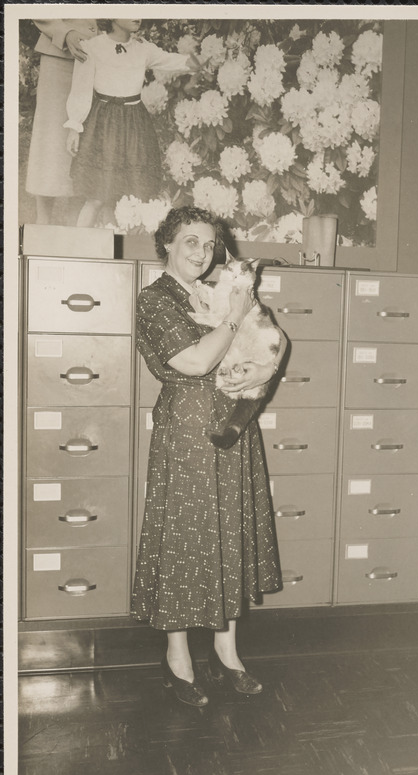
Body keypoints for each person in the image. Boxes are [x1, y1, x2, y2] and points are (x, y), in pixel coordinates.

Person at [131, 206, 286, 707]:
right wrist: (237, 313)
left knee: (231, 529)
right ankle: (178, 656)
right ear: (168, 247)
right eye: (189, 242)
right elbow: (195, 360)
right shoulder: (155, 300)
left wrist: (261, 375)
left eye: (208, 243)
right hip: (189, 430)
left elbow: (274, 344)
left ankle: (227, 652)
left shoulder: (218, 291)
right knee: (185, 535)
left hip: (234, 425)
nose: (201, 252)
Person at [64, 19, 199, 228]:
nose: (137, 16)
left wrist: (203, 62)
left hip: (135, 127)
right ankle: (78, 249)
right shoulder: (92, 47)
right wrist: (74, 126)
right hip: (104, 126)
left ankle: (122, 244)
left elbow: (172, 60)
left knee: (134, 192)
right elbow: (80, 89)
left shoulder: (143, 48)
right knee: (97, 196)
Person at [25, 18, 98, 225]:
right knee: (51, 137)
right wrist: (65, 33)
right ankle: (43, 222)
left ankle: (74, 225)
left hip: (99, 53)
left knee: (83, 139)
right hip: (59, 55)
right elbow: (37, 8)